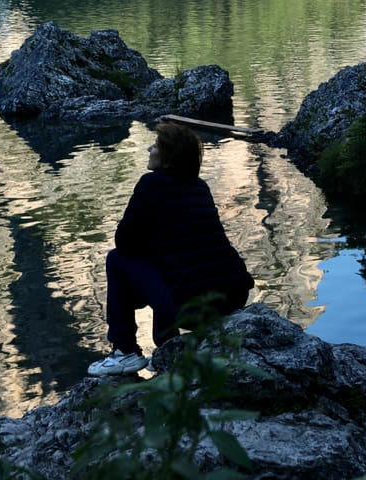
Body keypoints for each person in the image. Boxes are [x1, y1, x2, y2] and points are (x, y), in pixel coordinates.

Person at [88, 121, 254, 377]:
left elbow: (124, 241)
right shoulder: (201, 187)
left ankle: (125, 351)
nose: (148, 148)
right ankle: (166, 348)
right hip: (233, 297)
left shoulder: (150, 185)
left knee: (117, 259)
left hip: (193, 308)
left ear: (167, 158)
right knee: (173, 267)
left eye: (155, 145)